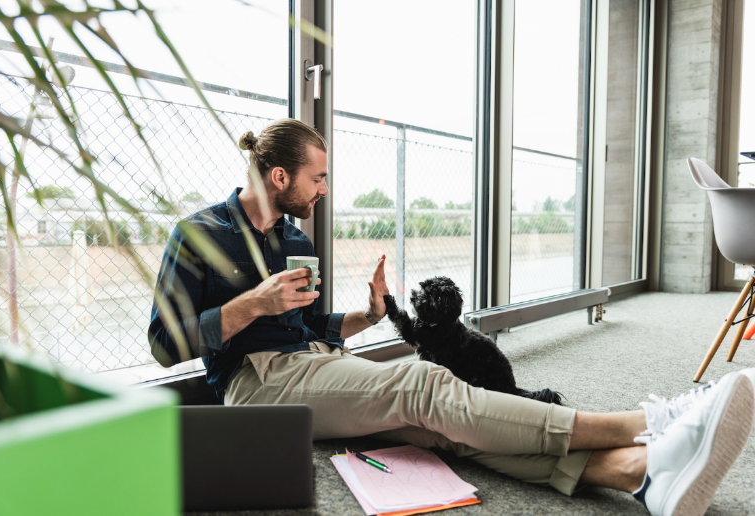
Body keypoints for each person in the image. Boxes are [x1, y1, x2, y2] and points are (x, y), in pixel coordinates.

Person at [149, 119, 755, 516]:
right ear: (279, 176)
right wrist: (253, 302)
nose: (325, 189)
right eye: (319, 177)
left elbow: (305, 330)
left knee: (442, 429)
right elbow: (163, 344)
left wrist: (369, 313)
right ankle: (646, 422)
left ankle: (639, 474)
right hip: (255, 386)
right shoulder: (198, 234)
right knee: (425, 383)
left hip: (311, 366)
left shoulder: (291, 237)